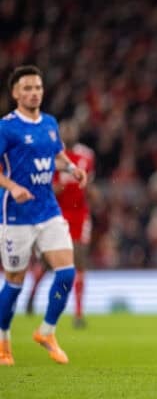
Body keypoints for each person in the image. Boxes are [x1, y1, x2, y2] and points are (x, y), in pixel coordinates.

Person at [0, 65, 87, 366]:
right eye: (27, 88)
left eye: (37, 87)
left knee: (66, 273)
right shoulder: (6, 127)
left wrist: (71, 168)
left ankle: (47, 332)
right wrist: (12, 186)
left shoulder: (49, 123)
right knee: (14, 281)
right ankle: (3, 342)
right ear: (15, 93)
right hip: (16, 216)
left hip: (48, 210)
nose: (34, 92)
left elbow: (56, 155)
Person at [24, 118, 97, 329]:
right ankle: (32, 295)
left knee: (80, 260)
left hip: (80, 215)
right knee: (48, 263)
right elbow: (44, 185)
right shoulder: (53, 155)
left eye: (71, 130)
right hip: (57, 214)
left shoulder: (87, 155)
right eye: (64, 131)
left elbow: (88, 182)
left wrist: (91, 191)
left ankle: (79, 313)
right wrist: (57, 189)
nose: (68, 134)